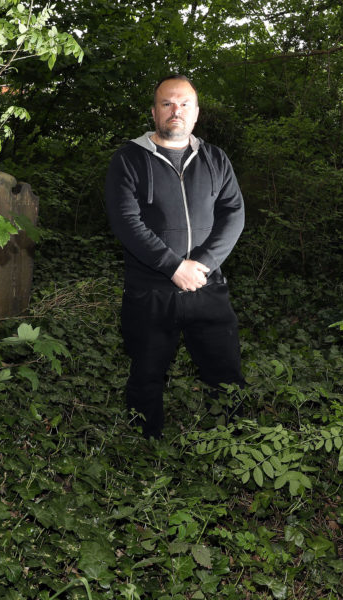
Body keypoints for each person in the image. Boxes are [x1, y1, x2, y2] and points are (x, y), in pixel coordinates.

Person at [104, 74, 246, 439]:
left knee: (226, 373)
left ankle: (234, 444)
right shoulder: (129, 159)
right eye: (167, 103)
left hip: (206, 285)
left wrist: (201, 265)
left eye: (184, 104)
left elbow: (234, 213)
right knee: (147, 375)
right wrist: (172, 267)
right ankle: (143, 450)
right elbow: (126, 222)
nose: (175, 110)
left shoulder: (215, 159)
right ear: (154, 112)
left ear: (196, 114)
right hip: (150, 292)